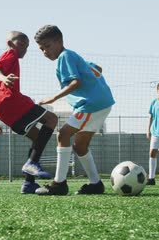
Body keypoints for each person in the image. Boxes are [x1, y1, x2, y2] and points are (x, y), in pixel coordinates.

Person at [34, 25, 115, 195]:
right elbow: (97, 68)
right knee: (80, 145)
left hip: (90, 104)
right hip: (103, 102)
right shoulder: (74, 56)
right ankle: (95, 184)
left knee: (63, 134)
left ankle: (59, 184)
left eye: (47, 46)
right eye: (41, 49)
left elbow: (75, 82)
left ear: (59, 41)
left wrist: (53, 98)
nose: (45, 52)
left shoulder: (65, 56)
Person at [0, 31, 59, 194]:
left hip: (1, 110)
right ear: (10, 44)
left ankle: (28, 183)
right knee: (52, 119)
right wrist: (4, 78)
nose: (24, 49)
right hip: (10, 102)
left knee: (36, 137)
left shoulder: (7, 66)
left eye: (26, 46)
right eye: (21, 44)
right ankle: (32, 164)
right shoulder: (9, 54)